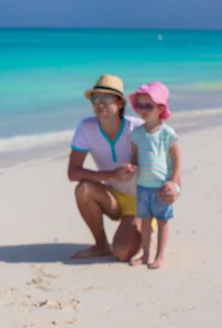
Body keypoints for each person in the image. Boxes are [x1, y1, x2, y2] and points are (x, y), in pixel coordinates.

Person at [67, 74, 145, 261]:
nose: (99, 103)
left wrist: (136, 168)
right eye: (95, 98)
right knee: (83, 189)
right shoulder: (86, 127)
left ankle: (145, 232)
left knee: (122, 253)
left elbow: (161, 166)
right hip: (114, 197)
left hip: (141, 202)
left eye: (107, 98)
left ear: (120, 103)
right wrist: (113, 175)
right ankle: (100, 244)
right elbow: (73, 172)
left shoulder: (137, 128)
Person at [128, 81, 181, 269]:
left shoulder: (167, 133)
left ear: (160, 108)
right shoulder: (136, 134)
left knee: (162, 222)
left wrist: (173, 183)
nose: (143, 110)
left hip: (161, 187)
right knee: (145, 222)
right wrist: (131, 167)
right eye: (140, 105)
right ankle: (145, 255)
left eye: (148, 106)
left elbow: (176, 159)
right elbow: (134, 158)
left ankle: (160, 256)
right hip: (143, 186)